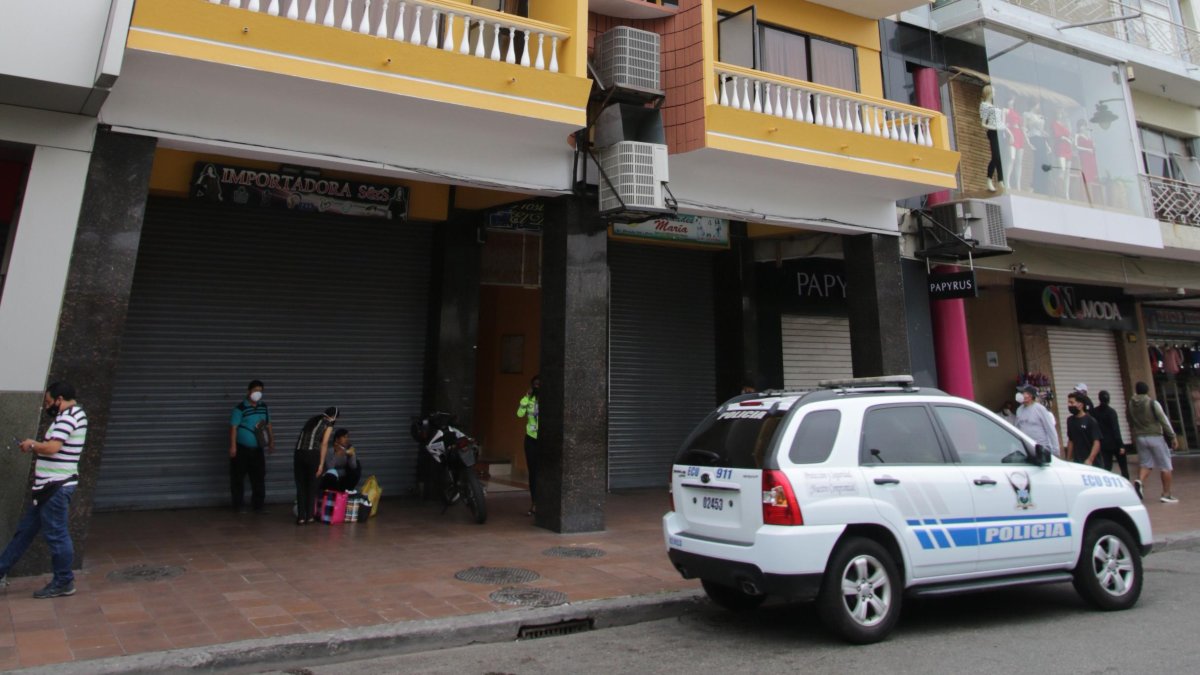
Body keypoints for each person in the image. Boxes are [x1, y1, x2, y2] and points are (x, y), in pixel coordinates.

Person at [0, 382, 87, 599]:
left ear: (59, 399)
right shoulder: (76, 415)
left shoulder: (69, 417)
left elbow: (52, 448)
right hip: (48, 488)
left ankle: (64, 581)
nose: (48, 406)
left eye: (49, 402)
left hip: (55, 487)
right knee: (25, 532)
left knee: (57, 535)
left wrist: (32, 444)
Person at [1128, 381, 1178, 503]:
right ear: (1147, 390)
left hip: (1140, 437)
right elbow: (1163, 419)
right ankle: (1166, 494)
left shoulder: (1130, 404)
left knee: (1146, 464)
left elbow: (1129, 419)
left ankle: (1140, 480)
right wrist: (1172, 436)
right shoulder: (1152, 403)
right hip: (1155, 436)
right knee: (1166, 466)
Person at [229, 379, 274, 513]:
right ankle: (238, 505)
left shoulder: (263, 407)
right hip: (241, 449)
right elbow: (233, 428)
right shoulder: (240, 408)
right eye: (255, 390)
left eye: (260, 391)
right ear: (249, 391)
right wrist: (233, 447)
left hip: (258, 449)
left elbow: (268, 425)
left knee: (259, 477)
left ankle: (258, 506)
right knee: (238, 478)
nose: (257, 393)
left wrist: (271, 441)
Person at [294, 406, 338, 525]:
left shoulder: (312, 420)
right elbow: (324, 444)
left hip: (298, 454)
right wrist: (321, 464)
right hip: (312, 455)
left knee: (301, 486)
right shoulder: (328, 424)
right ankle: (310, 517)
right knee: (312, 485)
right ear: (333, 417)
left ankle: (301, 517)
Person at [517, 374, 540, 517]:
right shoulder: (528, 400)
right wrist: (526, 396)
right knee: (534, 472)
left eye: (539, 384)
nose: (537, 387)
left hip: (546, 440)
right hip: (531, 439)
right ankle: (534, 503)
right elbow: (519, 414)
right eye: (534, 384)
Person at [1093, 390, 1130, 479]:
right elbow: (1115, 429)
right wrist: (1121, 445)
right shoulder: (1111, 412)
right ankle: (1126, 482)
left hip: (1103, 443)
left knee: (1107, 466)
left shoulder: (1094, 412)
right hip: (1114, 443)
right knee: (1123, 467)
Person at [1015, 385, 1059, 456]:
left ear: (1030, 396)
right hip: (1025, 448)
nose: (1020, 395)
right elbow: (1017, 428)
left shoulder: (1040, 409)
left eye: (1023, 393)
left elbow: (1050, 429)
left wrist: (1055, 450)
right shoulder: (1019, 410)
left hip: (1041, 448)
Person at [1065, 392, 1101, 465]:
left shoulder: (1090, 421)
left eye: (1072, 402)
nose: (1069, 405)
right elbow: (1071, 440)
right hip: (1078, 461)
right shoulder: (1070, 420)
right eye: (1068, 402)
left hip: (1093, 463)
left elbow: (1096, 442)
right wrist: (1068, 459)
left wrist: (1090, 459)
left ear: (1080, 405)